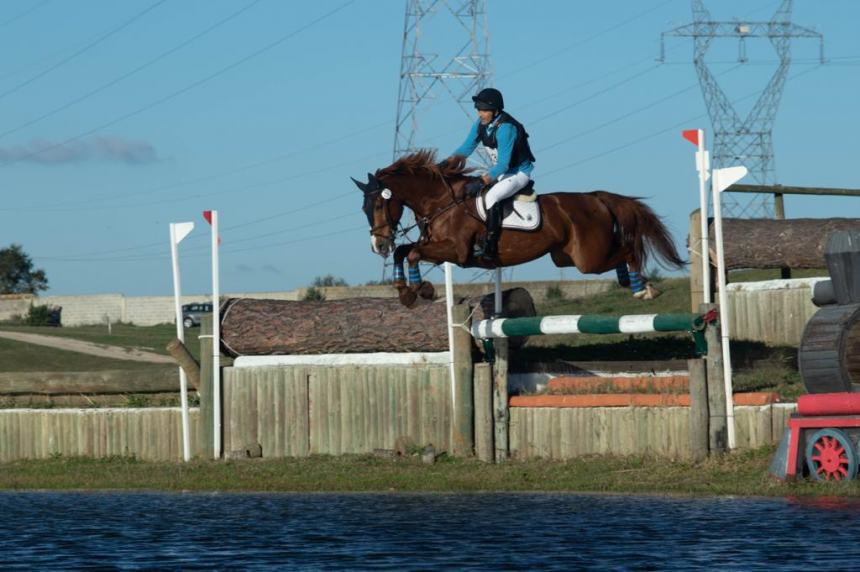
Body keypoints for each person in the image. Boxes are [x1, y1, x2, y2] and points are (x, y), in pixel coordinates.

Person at [446, 87, 536, 259]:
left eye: (484, 110)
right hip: (502, 174)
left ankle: (491, 247)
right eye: (479, 109)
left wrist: (482, 181)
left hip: (518, 173)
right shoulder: (481, 125)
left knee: (491, 196)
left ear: (495, 111)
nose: (480, 114)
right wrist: (445, 165)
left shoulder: (505, 128)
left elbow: (503, 164)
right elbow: (466, 148)